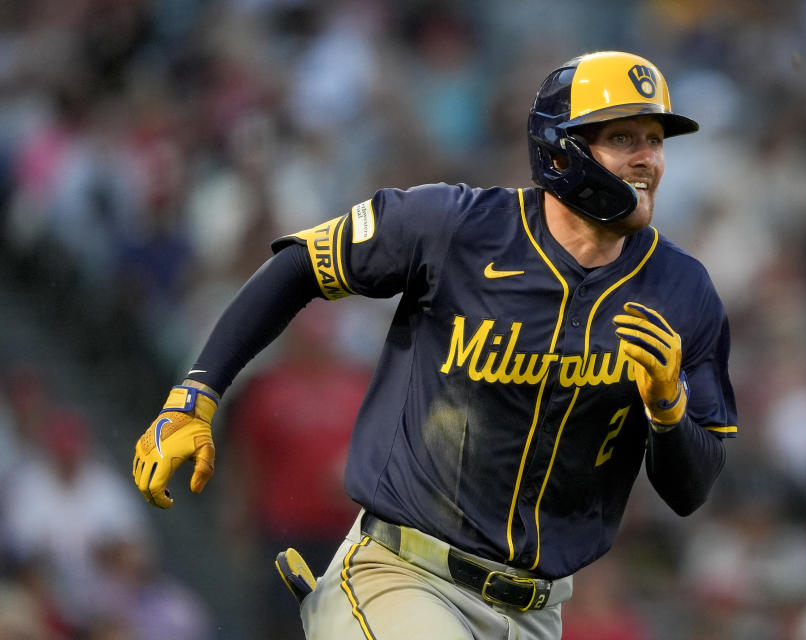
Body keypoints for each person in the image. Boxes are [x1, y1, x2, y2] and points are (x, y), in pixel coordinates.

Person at [132, 50, 738, 640]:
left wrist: (668, 410)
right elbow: (300, 267)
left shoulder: (682, 292)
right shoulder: (455, 227)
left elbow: (692, 489)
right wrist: (197, 392)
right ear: (563, 149)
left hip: (537, 612)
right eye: (624, 139)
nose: (648, 160)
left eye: (655, 140)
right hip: (403, 576)